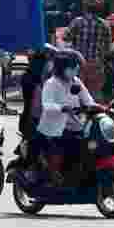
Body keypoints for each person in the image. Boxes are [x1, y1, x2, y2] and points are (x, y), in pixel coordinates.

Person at [37, 48, 97, 186]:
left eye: (76, 67)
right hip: (55, 127)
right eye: (72, 67)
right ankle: (53, 175)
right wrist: (62, 108)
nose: (75, 70)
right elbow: (47, 105)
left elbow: (88, 100)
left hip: (75, 124)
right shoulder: (51, 83)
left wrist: (99, 107)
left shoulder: (75, 81)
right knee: (61, 147)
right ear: (62, 67)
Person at [65, 0, 111, 98]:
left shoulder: (77, 22)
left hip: (78, 64)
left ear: (85, 7)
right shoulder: (104, 25)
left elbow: (66, 38)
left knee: (77, 93)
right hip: (96, 64)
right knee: (94, 94)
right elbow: (108, 48)